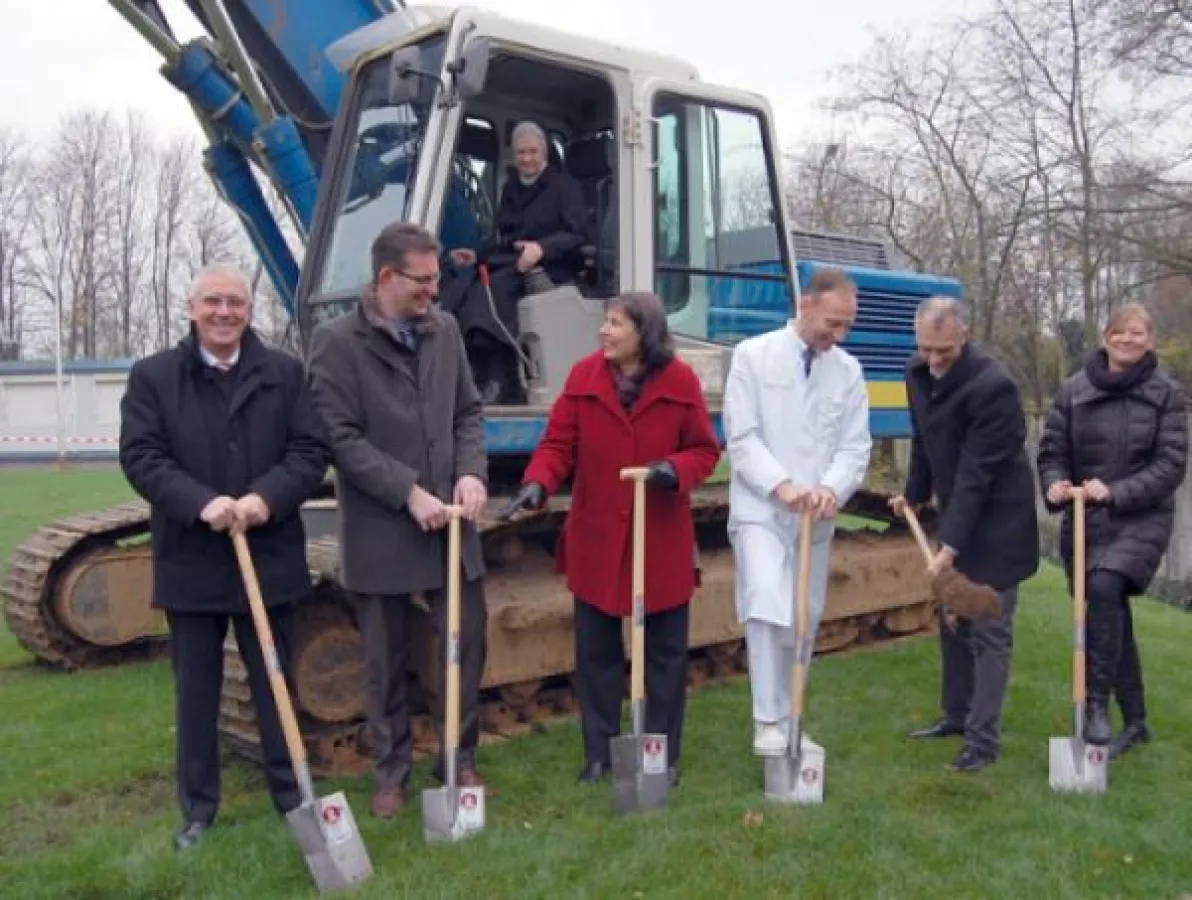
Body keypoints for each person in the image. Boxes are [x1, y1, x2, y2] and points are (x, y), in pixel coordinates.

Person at [118, 265, 332, 851]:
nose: (224, 313)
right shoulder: (154, 378)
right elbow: (142, 456)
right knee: (196, 690)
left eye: (236, 303)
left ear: (248, 311)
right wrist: (202, 503)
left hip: (268, 555)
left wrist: (266, 498)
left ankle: (293, 797)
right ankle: (199, 810)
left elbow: (310, 450)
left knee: (275, 682)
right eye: (213, 301)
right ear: (192, 308)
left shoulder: (284, 375)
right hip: (192, 559)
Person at [306, 221, 491, 819]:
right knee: (384, 661)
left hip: (452, 522)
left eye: (436, 279)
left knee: (465, 644)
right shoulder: (336, 343)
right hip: (384, 524)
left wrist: (470, 473)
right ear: (386, 277)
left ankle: (458, 757)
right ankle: (391, 770)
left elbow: (467, 412)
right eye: (424, 280)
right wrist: (407, 491)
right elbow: (339, 436)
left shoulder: (447, 333)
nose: (434, 291)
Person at [499, 291, 720, 786]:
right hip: (597, 537)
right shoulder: (584, 377)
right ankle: (599, 754)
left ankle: (662, 754)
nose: (604, 331)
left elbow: (705, 451)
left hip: (658, 537)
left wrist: (673, 469)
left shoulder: (680, 381)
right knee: (596, 654)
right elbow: (558, 444)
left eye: (616, 323)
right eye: (605, 321)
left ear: (645, 333)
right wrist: (538, 482)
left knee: (665, 657)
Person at [723, 267, 873, 759]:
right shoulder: (753, 356)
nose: (839, 335)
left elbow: (855, 446)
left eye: (847, 325)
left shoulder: (848, 370)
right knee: (767, 603)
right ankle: (766, 718)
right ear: (806, 305)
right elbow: (742, 438)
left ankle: (793, 715)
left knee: (803, 617)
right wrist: (781, 485)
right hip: (763, 508)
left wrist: (832, 488)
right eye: (833, 322)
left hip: (817, 516)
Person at [890, 296, 1039, 773]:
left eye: (944, 351)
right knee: (951, 620)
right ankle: (956, 716)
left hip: (999, 524)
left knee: (988, 629)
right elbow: (925, 440)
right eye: (926, 349)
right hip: (957, 511)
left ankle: (983, 741)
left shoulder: (994, 387)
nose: (933, 361)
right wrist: (914, 494)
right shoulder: (916, 373)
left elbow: (978, 475)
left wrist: (948, 547)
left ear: (965, 336)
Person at [1036, 303, 1187, 758]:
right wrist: (1056, 483)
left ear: (1150, 340)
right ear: (1106, 336)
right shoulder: (1073, 390)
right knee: (1108, 611)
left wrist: (1115, 491)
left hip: (1140, 514)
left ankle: (1096, 705)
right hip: (1086, 518)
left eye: (1137, 333)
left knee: (1104, 587)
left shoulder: (1166, 394)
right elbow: (1051, 451)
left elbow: (1171, 464)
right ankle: (1136, 721)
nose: (1127, 340)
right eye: (1119, 332)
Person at [442, 120, 589, 404]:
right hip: (513, 260)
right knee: (463, 281)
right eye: (521, 153)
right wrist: (476, 255)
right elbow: (503, 238)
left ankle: (501, 378)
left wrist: (541, 248)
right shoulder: (511, 189)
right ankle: (469, 366)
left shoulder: (565, 187)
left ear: (544, 153)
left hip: (552, 265)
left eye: (533, 152)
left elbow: (577, 235)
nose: (527, 159)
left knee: (496, 288)